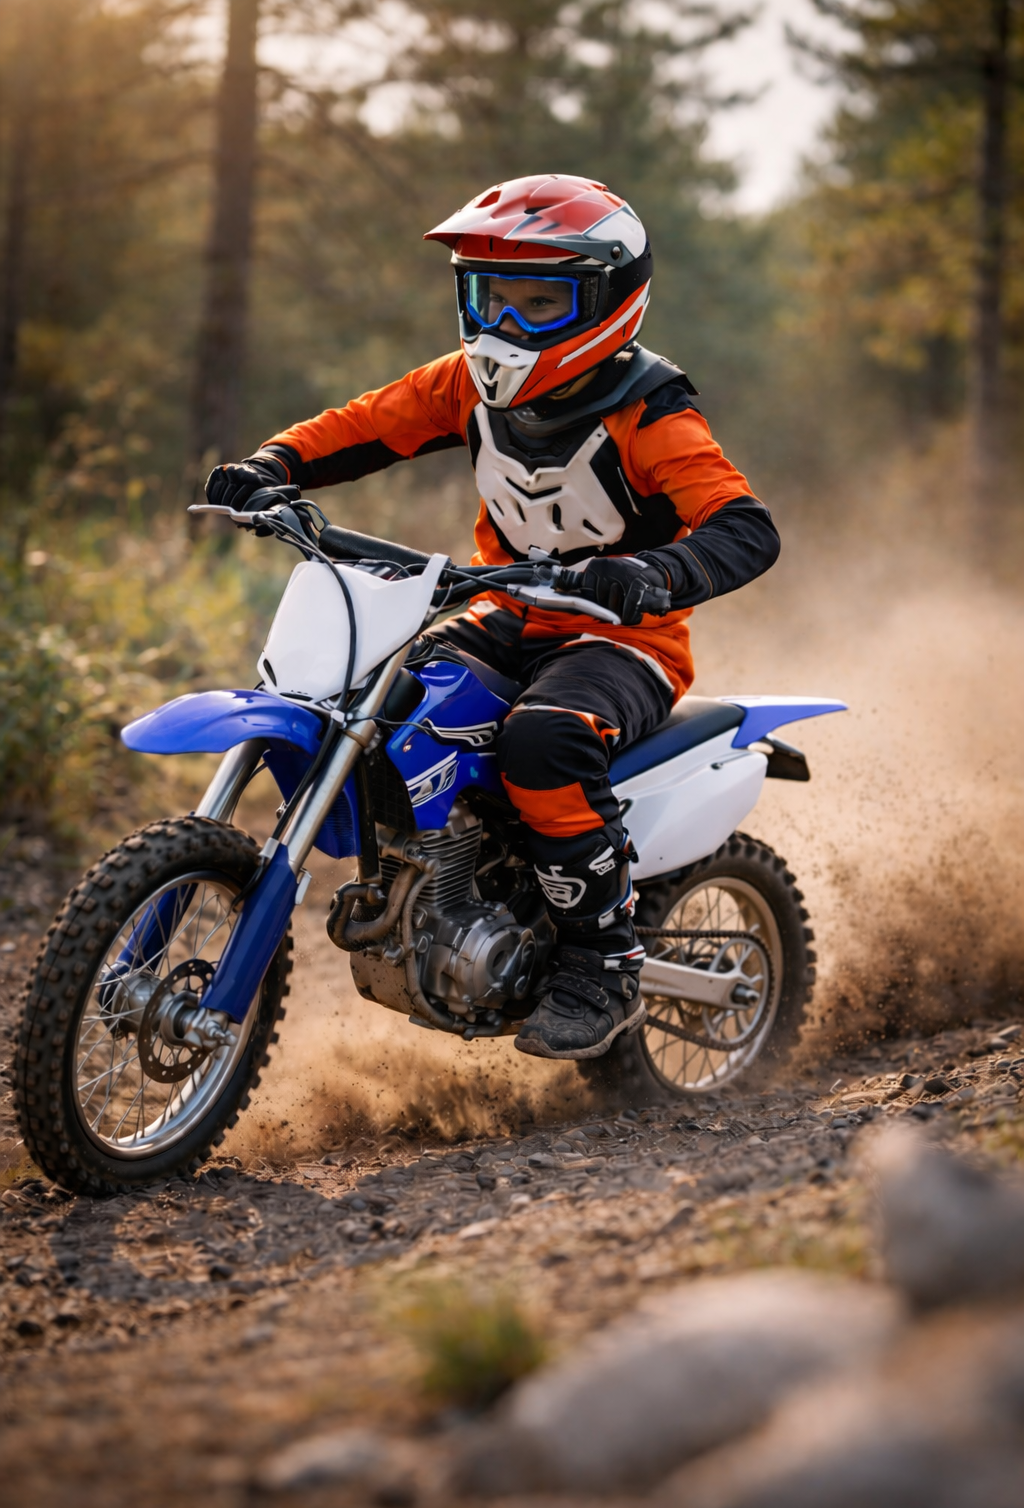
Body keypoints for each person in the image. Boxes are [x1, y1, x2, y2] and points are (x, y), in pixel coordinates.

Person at [206, 173, 780, 1062]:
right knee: (385, 707)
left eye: (539, 301)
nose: (505, 327)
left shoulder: (650, 412)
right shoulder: (465, 386)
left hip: (619, 639)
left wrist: (654, 573)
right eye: (489, 297)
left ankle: (601, 960)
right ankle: (444, 890)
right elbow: (366, 426)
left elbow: (745, 528)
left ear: (609, 301)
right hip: (504, 612)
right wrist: (274, 462)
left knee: (542, 741)